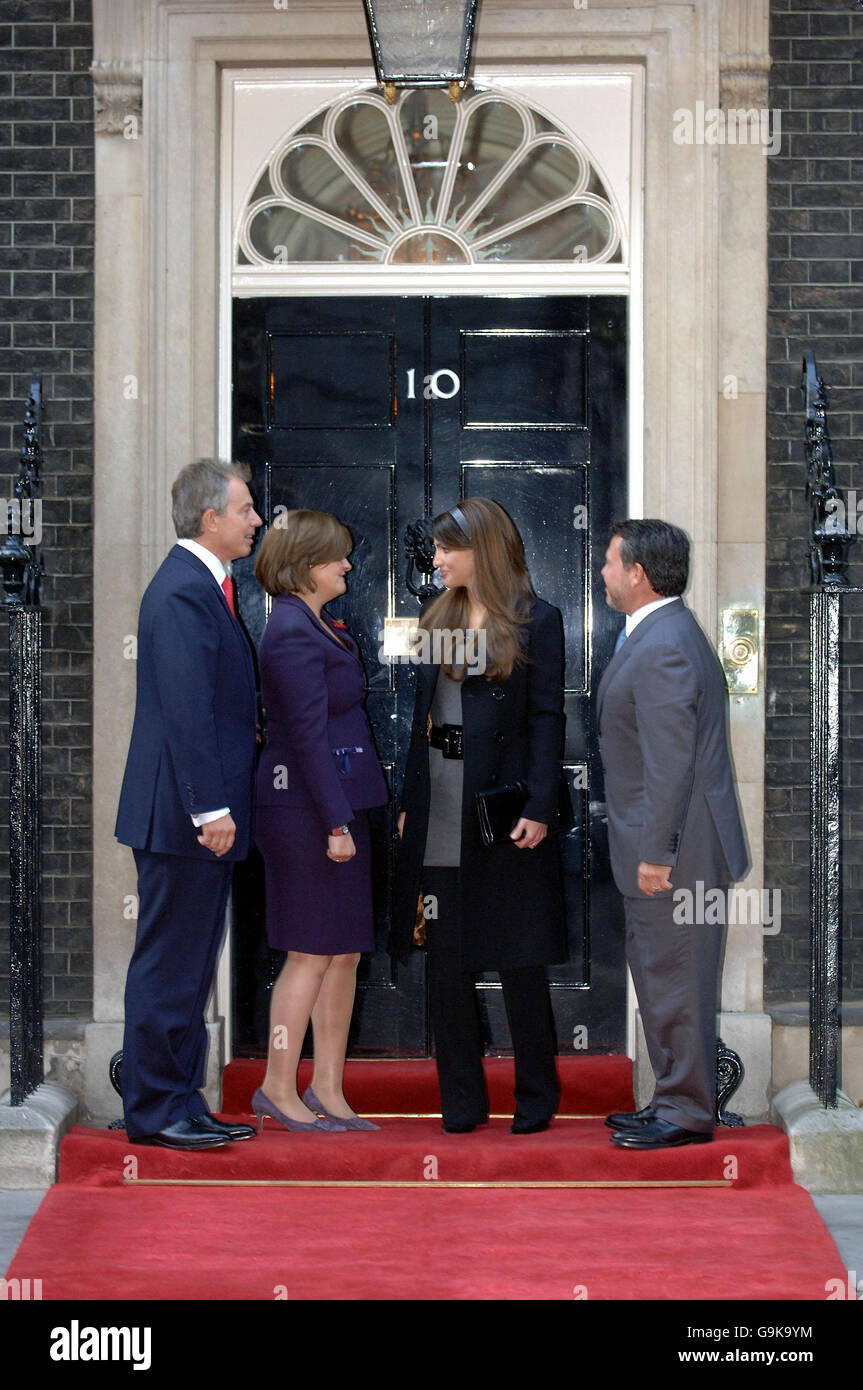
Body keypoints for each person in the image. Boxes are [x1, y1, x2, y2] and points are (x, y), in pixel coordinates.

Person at [390, 497, 568, 1135]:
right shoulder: (436, 616)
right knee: (447, 963)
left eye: (446, 550)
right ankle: (461, 1102)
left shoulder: (537, 620)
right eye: (435, 549)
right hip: (440, 811)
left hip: (507, 814)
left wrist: (542, 805)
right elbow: (424, 724)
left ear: (482, 551)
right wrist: (410, 805)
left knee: (520, 963)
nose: (435, 561)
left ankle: (535, 1099)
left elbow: (548, 718)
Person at [115, 458, 262, 1149]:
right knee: (169, 965)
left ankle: (182, 1099)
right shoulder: (181, 593)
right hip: (184, 817)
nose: (255, 520)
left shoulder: (205, 588)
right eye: (245, 510)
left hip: (194, 814)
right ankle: (154, 1111)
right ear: (211, 519)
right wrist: (211, 810)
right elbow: (187, 713)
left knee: (192, 963)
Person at [597, 519, 749, 1150]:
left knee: (676, 974)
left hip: (675, 848)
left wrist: (656, 854)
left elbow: (670, 763)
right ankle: (673, 1098)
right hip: (669, 843)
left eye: (610, 563)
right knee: (661, 971)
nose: (603, 573)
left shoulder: (662, 643)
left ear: (638, 573)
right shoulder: (659, 633)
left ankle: (686, 1111)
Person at [252, 510, 389, 1133]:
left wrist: (346, 817)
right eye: (338, 557)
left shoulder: (316, 624)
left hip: (340, 809)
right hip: (306, 814)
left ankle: (327, 1089)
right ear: (308, 565)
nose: (347, 566)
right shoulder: (289, 631)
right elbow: (305, 738)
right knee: (309, 954)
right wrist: (335, 822)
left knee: (344, 956)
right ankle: (278, 1086)